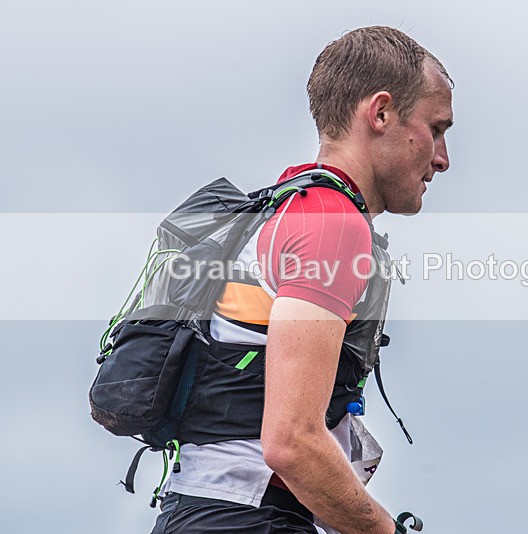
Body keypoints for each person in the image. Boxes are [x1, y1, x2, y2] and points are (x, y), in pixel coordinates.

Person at [150, 26, 453, 534]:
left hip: (198, 511)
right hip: (249, 520)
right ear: (380, 114)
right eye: (436, 128)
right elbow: (290, 441)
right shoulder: (333, 226)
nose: (442, 158)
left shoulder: (286, 204)